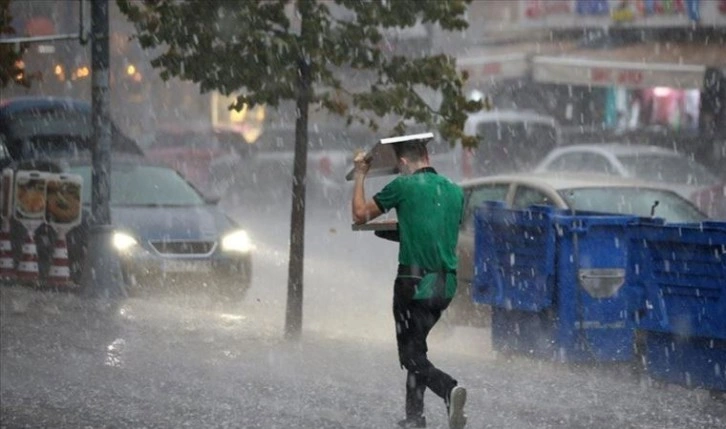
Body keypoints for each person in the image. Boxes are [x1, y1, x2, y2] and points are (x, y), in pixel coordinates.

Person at [351, 138, 467, 429]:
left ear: (402, 162)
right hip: (446, 286)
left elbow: (360, 214)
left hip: (413, 283)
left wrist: (361, 174)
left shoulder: (403, 186)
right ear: (426, 154)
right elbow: (435, 232)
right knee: (418, 348)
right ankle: (414, 418)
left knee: (410, 355)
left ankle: (448, 389)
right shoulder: (455, 191)